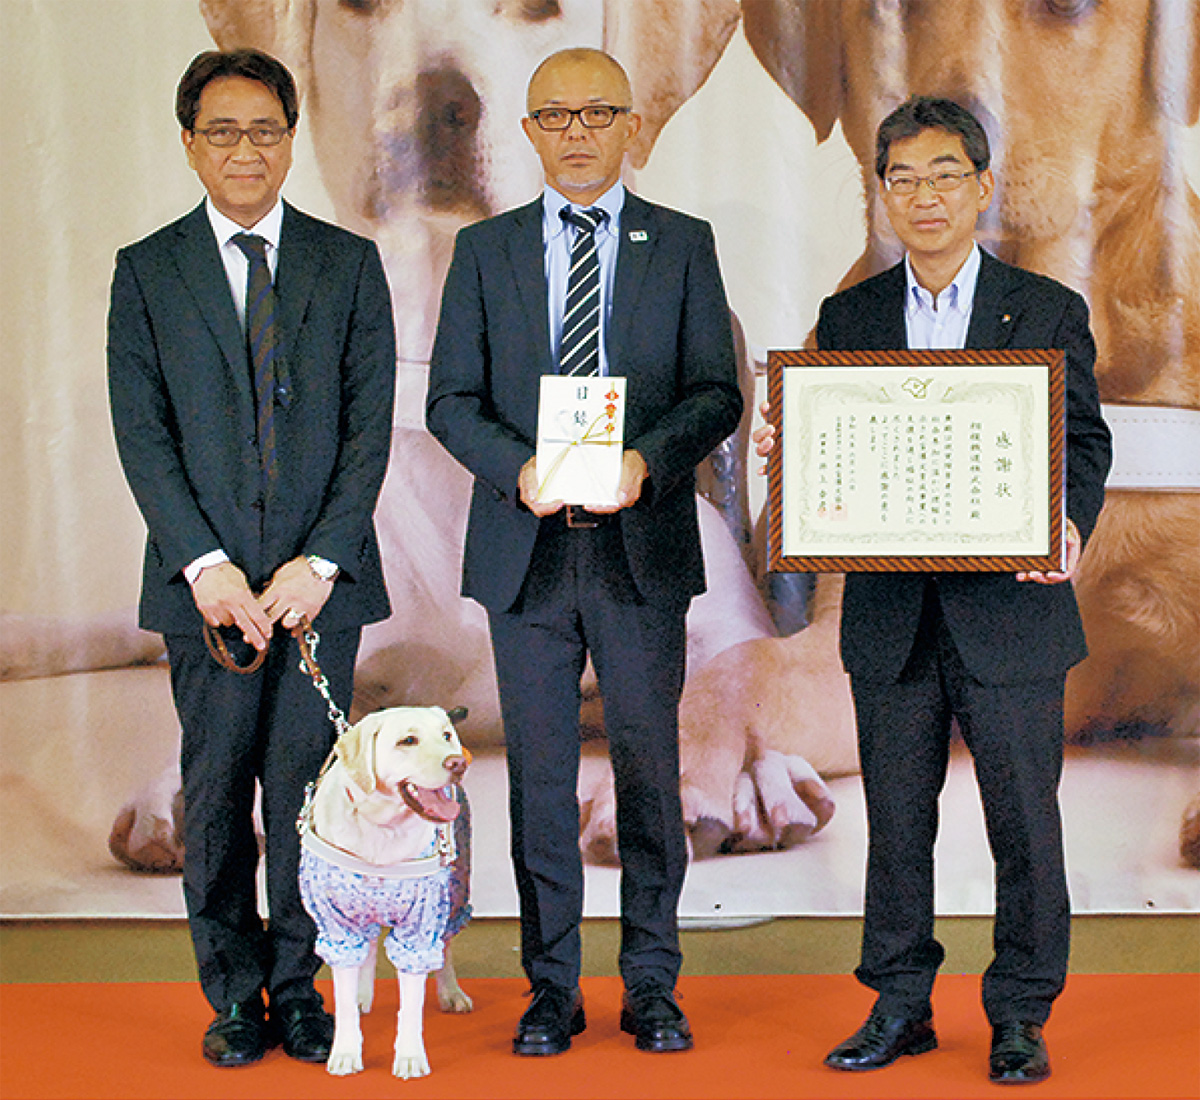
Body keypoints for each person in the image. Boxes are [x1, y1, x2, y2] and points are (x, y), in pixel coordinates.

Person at [755, 97, 1111, 1084]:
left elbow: (1083, 441)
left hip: (1013, 612)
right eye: (904, 177)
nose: (926, 195)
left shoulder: (1044, 309)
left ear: (983, 187)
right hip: (892, 617)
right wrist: (791, 451)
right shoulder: (851, 316)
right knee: (898, 824)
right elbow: (828, 456)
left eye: (945, 174)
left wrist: (1068, 522)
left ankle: (1022, 1013)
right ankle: (900, 1002)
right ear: (882, 193)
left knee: (1024, 824)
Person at [426, 47, 742, 1057]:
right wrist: (517, 467)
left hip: (640, 549)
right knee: (541, 782)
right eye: (554, 116)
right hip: (527, 551)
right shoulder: (486, 251)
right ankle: (549, 986)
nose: (575, 132)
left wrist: (648, 460)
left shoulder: (682, 244)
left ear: (627, 124)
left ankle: (652, 981)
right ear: (528, 132)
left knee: (651, 774)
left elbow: (716, 392)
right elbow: (449, 402)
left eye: (596, 112)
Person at [107, 49, 396, 1067]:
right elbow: (141, 433)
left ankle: (302, 986)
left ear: (290, 138)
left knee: (313, 795)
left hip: (320, 589)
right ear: (189, 144)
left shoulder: (347, 261)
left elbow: (372, 428)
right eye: (223, 132)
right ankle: (233, 995)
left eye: (265, 130)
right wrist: (208, 565)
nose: (246, 150)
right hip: (210, 594)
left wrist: (321, 560)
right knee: (220, 791)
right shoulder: (148, 269)